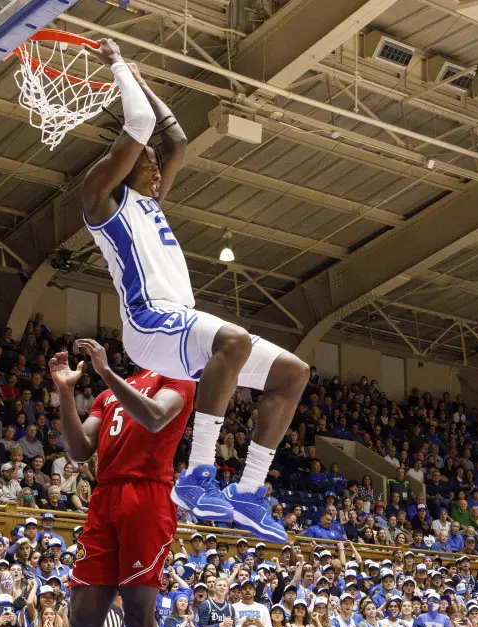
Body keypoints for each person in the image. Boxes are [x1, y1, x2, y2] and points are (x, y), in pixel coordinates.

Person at [82, 40, 309, 542]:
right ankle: (198, 474)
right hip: (149, 321)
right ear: (122, 167)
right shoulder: (102, 201)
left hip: (179, 327)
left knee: (294, 373)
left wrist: (141, 80)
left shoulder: (152, 201)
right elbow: (139, 126)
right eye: (147, 164)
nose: (158, 170)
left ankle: (249, 492)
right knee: (234, 339)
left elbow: (177, 139)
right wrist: (118, 64)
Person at [50, 338, 196, 627]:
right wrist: (64, 392)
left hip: (146, 496)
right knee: (82, 616)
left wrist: (105, 371)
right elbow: (78, 451)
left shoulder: (179, 376)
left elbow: (154, 416)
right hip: (104, 497)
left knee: (139, 619)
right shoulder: (106, 394)